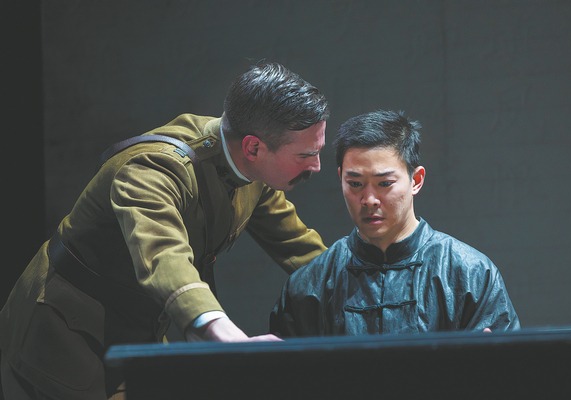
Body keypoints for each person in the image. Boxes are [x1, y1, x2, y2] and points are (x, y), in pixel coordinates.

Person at [0, 61, 329, 399]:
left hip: (138, 326)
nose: (316, 166)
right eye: (306, 154)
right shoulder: (153, 169)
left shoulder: (252, 169)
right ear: (253, 147)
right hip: (63, 331)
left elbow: (299, 246)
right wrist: (225, 334)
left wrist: (355, 285)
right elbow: (162, 255)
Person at [270, 109, 520, 337]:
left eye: (384, 184)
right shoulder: (309, 285)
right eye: (355, 184)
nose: (369, 200)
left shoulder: (470, 274)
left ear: (416, 180)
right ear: (341, 179)